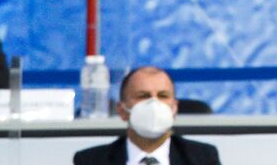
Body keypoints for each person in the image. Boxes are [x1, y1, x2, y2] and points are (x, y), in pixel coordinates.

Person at [73, 66, 221, 165]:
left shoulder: (203, 158)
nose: (154, 104)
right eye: (143, 96)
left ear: (175, 109)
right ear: (122, 110)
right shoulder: (91, 161)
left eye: (163, 95)